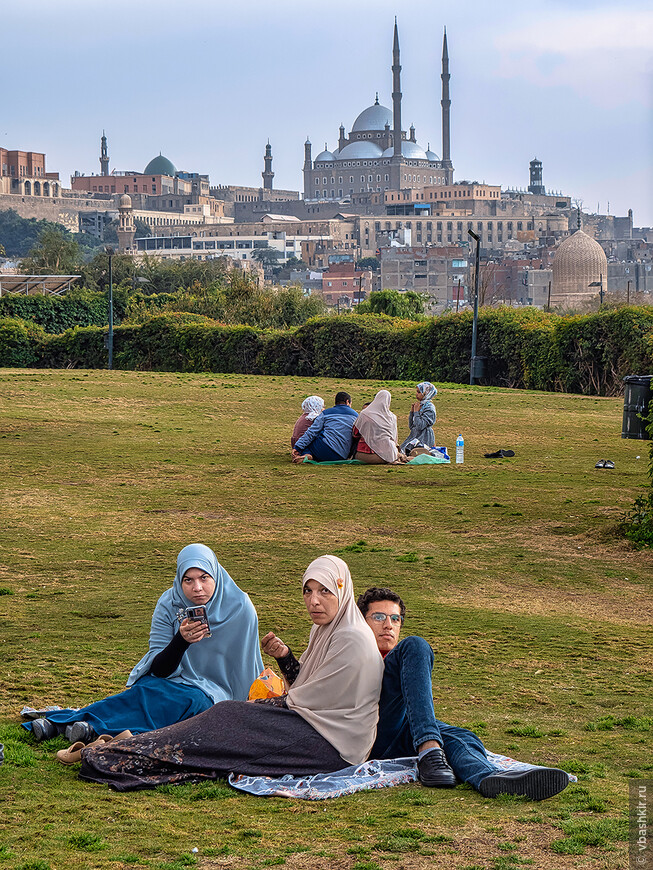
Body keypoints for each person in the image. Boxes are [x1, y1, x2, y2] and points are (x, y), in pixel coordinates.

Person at [78, 556, 384, 791]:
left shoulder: (351, 638)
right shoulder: (328, 629)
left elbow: (312, 700)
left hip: (331, 745)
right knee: (224, 719)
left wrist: (265, 709)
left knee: (224, 736)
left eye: (325, 591)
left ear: (343, 591)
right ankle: (122, 748)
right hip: (310, 722)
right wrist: (285, 657)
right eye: (308, 591)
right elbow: (306, 686)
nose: (314, 601)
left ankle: (115, 756)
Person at [27, 544, 263, 745]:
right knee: (147, 690)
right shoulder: (169, 604)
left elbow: (246, 666)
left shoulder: (240, 609)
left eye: (204, 578)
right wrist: (181, 641)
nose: (197, 588)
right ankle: (75, 726)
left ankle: (80, 726)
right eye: (188, 580)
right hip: (173, 681)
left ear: (216, 576)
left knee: (191, 702)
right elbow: (160, 668)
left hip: (216, 695)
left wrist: (245, 712)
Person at [357, 587, 569, 801]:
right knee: (416, 645)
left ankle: (489, 778)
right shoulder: (351, 653)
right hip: (369, 732)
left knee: (461, 737)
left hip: (401, 729)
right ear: (361, 621)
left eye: (395, 619)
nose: (388, 625)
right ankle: (429, 749)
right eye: (378, 617)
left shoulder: (399, 658)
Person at [292, 392, 358, 463]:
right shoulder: (356, 416)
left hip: (322, 450)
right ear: (347, 401)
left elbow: (312, 432)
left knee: (311, 439)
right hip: (342, 455)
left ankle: (307, 454)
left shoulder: (326, 413)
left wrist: (297, 447)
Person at [351, 390, 406, 465]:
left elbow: (355, 433)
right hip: (389, 454)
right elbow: (394, 438)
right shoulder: (392, 417)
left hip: (367, 455)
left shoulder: (365, 414)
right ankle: (397, 458)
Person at [400, 382, 437, 452]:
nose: (416, 394)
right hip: (415, 435)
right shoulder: (421, 405)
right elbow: (411, 426)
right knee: (401, 451)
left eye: (419, 392)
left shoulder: (429, 408)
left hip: (424, 437)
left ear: (426, 393)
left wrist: (416, 412)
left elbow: (420, 426)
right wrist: (412, 412)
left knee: (411, 453)